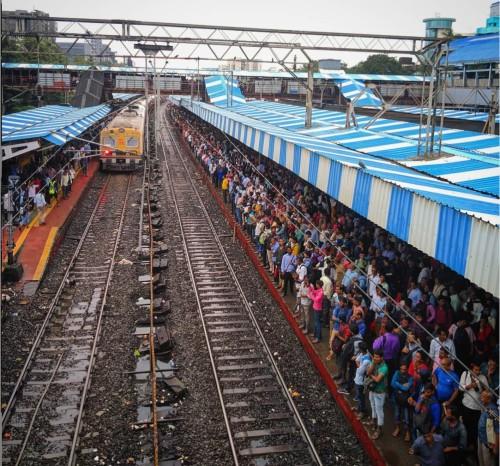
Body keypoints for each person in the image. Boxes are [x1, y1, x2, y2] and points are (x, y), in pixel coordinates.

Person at [460, 361, 490, 447]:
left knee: (475, 428)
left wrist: (479, 386)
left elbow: (487, 391)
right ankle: (467, 444)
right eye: (476, 370)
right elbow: (460, 387)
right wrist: (469, 386)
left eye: (479, 370)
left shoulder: (482, 377)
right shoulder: (465, 374)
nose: (477, 372)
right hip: (466, 405)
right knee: (466, 426)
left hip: (477, 408)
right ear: (471, 369)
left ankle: (474, 445)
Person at [366, 349, 389, 440]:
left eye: (377, 357)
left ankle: (379, 429)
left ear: (382, 358)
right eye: (374, 356)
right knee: (372, 405)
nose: (375, 358)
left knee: (379, 410)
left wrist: (371, 375)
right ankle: (373, 421)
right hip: (372, 389)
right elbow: (368, 372)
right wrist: (373, 364)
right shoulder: (374, 362)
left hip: (380, 391)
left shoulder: (384, 367)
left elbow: (377, 379)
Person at [391, 363, 414, 441]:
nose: (403, 371)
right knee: (397, 415)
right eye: (401, 369)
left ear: (407, 369)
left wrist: (397, 384)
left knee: (406, 417)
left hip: (405, 401)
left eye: (405, 369)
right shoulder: (397, 373)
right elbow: (392, 384)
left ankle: (407, 433)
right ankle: (397, 428)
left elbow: (406, 388)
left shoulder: (410, 377)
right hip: (397, 399)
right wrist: (401, 385)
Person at [477, 389, 499, 466]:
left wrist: (496, 447)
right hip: (481, 438)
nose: (480, 398)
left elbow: (497, 430)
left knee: (488, 462)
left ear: (489, 399)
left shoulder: (493, 411)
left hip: (489, 442)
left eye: (483, 397)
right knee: (481, 460)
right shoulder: (484, 406)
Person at [353, 341, 371, 420]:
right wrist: (358, 365)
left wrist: (358, 365)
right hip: (358, 379)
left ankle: (362, 411)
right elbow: (356, 360)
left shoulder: (366, 360)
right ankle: (359, 408)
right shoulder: (363, 354)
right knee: (359, 395)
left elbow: (360, 371)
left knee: (361, 396)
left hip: (361, 381)